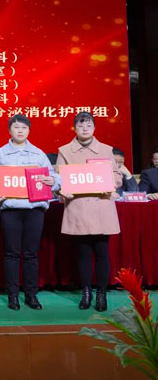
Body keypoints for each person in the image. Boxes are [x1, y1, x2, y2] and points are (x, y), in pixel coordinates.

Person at [0, 114, 59, 310]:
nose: (20, 131)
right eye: (16, 127)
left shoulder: (39, 154)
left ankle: (31, 295)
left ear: (29, 130)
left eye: (24, 127)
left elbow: (54, 178)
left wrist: (54, 181)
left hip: (35, 209)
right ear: (10, 130)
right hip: (11, 210)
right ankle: (13, 295)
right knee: (11, 253)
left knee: (31, 254)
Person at [57, 112, 122, 311]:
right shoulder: (65, 151)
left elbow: (117, 176)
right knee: (83, 253)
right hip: (79, 207)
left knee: (102, 252)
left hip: (101, 205)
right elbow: (59, 177)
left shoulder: (106, 149)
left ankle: (101, 294)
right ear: (75, 128)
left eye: (89, 125)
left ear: (94, 128)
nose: (85, 129)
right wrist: (62, 189)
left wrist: (110, 183)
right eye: (81, 125)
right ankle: (86, 293)